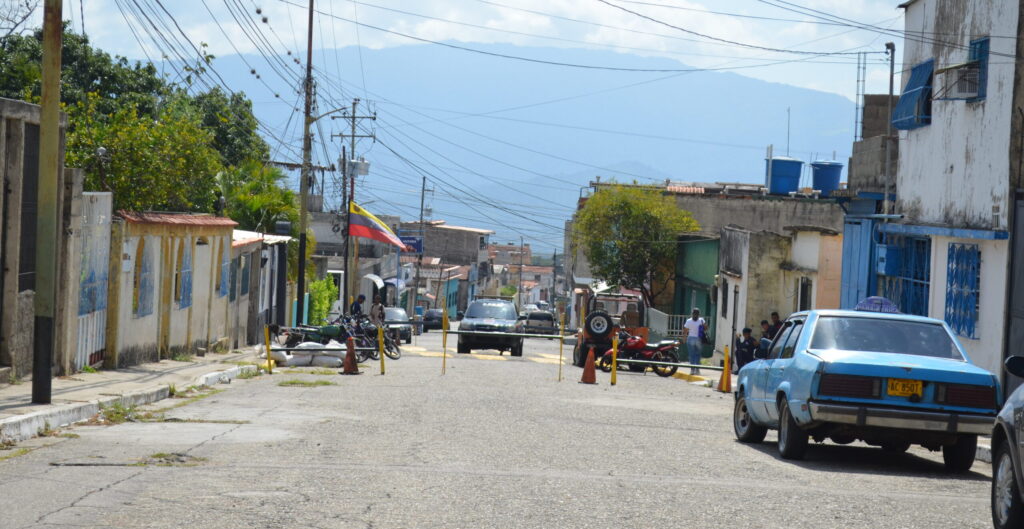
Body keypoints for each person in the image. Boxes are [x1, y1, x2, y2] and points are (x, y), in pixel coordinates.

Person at [682, 308, 705, 375]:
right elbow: (706, 327)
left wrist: (684, 338)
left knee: (691, 355)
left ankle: (692, 370)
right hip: (698, 339)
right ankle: (697, 370)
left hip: (691, 339)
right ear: (698, 314)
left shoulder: (688, 321)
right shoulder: (701, 320)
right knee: (698, 355)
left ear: (692, 314)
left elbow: (685, 331)